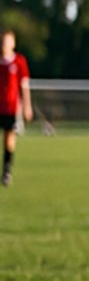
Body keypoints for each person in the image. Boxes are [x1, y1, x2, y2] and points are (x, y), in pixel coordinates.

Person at [1, 30, 33, 187]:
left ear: (13, 43)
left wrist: (27, 106)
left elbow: (24, 85)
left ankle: (6, 171)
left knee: (9, 139)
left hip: (11, 108)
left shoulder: (19, 61)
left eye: (7, 41)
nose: (4, 44)